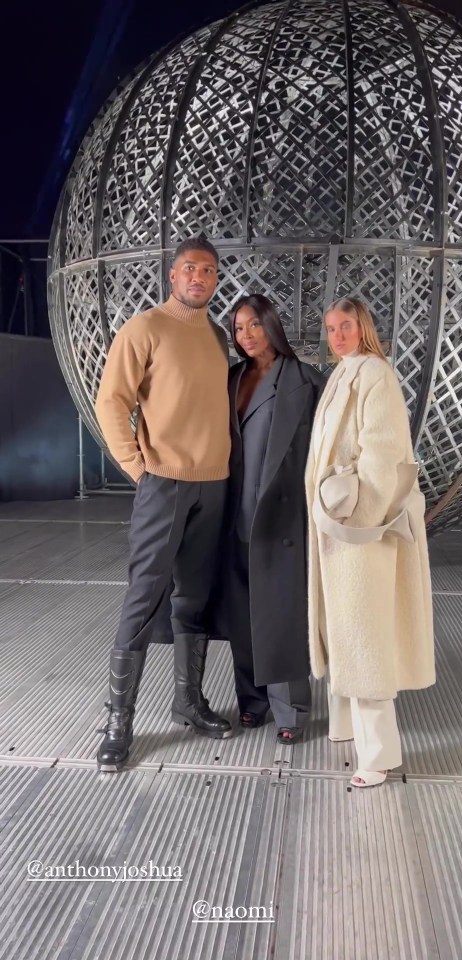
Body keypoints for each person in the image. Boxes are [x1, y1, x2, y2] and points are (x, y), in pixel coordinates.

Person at [94, 236, 233, 772]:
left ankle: (188, 703)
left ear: (216, 281)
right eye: (190, 269)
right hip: (164, 484)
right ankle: (117, 721)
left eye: (209, 271)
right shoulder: (145, 328)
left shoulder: (217, 337)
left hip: (213, 483)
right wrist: (137, 468)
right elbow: (112, 401)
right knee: (144, 595)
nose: (200, 277)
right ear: (173, 276)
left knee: (193, 598)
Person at [305, 297, 435, 786]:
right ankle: (346, 727)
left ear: (365, 328)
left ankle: (377, 756)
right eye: (331, 328)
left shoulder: (376, 374)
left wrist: (356, 519)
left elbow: (383, 456)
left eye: (347, 326)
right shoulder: (344, 372)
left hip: (359, 531)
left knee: (365, 639)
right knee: (346, 631)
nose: (337, 335)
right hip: (337, 525)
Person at [215, 294, 325, 743]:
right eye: (239, 329)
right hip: (232, 511)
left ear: (272, 326)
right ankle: (253, 702)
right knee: (243, 614)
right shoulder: (231, 378)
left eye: (254, 325)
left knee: (281, 614)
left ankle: (291, 711)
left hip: (281, 515)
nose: (246, 336)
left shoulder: (304, 380)